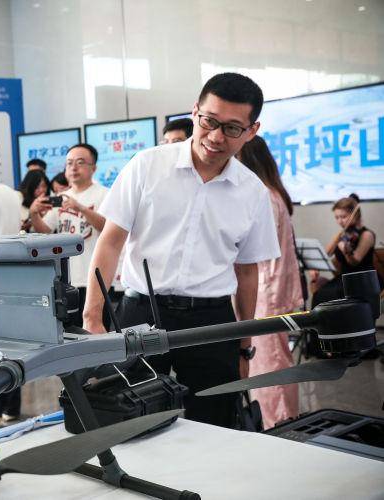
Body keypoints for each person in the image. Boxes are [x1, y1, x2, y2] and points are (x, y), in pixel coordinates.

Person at [83, 73, 280, 429]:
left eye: (233, 128)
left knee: (216, 422)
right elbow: (111, 241)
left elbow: (247, 272)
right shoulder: (148, 165)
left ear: (251, 131)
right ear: (195, 112)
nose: (216, 137)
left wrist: (243, 346)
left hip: (211, 322)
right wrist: (92, 319)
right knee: (133, 420)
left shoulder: (252, 192)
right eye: (210, 121)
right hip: (140, 313)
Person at [238, 136, 303, 429]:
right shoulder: (274, 193)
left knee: (269, 367)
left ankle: (279, 426)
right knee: (275, 363)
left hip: (266, 291)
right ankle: (283, 421)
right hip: (274, 290)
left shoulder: (261, 195)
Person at [30, 144, 108, 327]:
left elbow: (106, 227)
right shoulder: (62, 197)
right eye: (69, 163)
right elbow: (46, 230)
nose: (73, 168)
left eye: (80, 162)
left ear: (93, 168)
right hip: (66, 279)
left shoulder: (104, 194)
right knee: (68, 333)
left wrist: (79, 207)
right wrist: (34, 213)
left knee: (95, 331)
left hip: (95, 278)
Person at [308, 194, 379, 355]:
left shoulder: (367, 235)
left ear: (355, 214)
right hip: (343, 279)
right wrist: (315, 268)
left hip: (361, 280)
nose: (340, 221)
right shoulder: (342, 236)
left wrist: (346, 252)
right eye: (337, 217)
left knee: (330, 295)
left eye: (344, 216)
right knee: (320, 294)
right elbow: (323, 257)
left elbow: (355, 261)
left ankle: (343, 346)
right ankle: (324, 346)